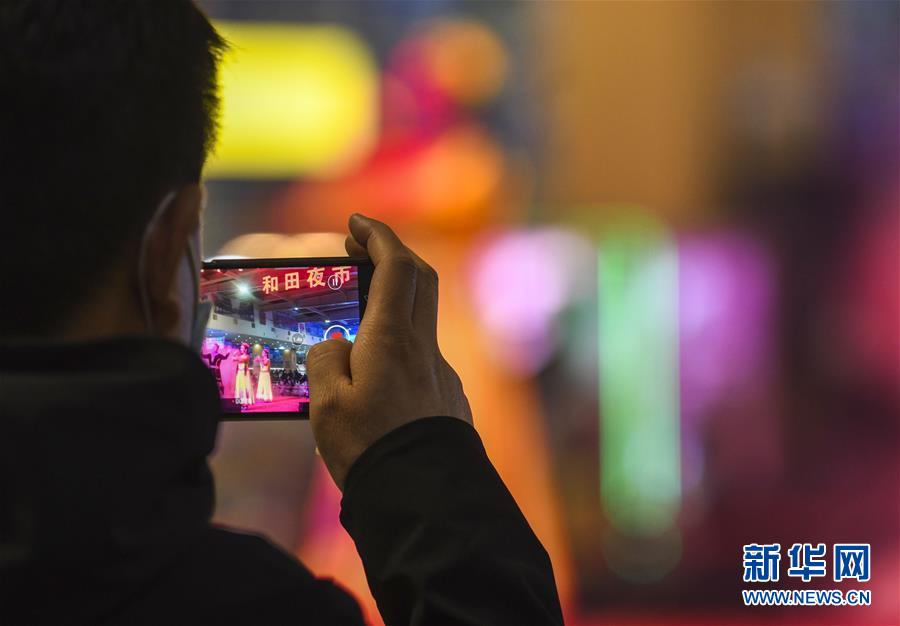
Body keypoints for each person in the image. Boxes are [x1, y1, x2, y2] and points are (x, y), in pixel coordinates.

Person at [0, 2, 563, 625]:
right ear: (166, 254)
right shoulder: (268, 608)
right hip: (431, 355)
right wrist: (420, 466)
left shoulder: (449, 167)